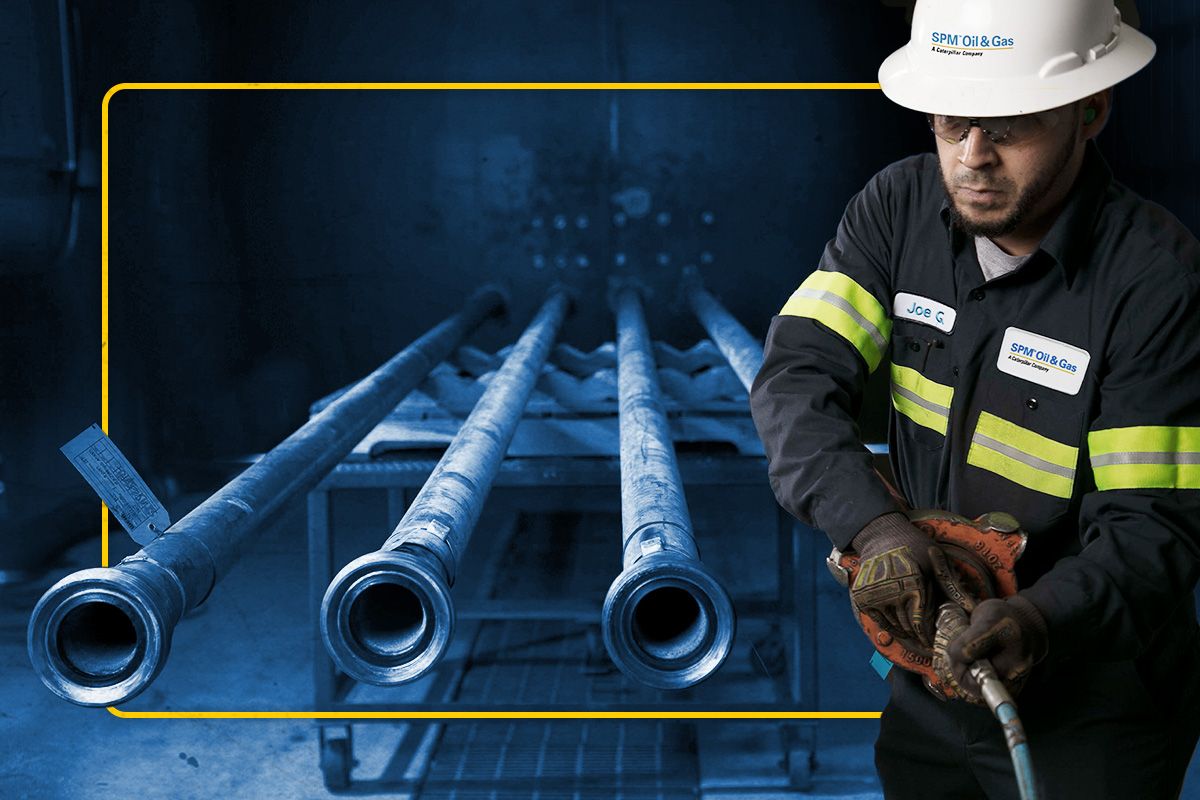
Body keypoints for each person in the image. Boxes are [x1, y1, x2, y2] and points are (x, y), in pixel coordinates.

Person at [749, 0, 1200, 796]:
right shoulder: (897, 211)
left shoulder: (1154, 281)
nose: (973, 157)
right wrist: (874, 523)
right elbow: (796, 379)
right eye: (951, 124)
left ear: (1089, 110)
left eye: (1009, 127)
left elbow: (1154, 525)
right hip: (930, 686)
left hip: (1091, 712)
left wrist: (1037, 618)